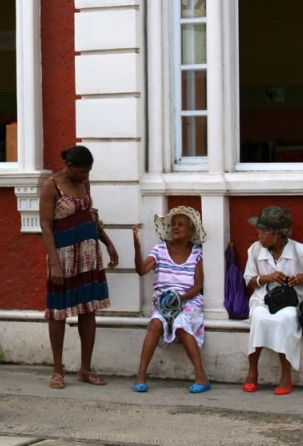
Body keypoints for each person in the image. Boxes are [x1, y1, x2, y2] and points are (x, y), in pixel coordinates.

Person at [38, 145, 118, 389]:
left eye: (89, 171)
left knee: (88, 311)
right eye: (82, 171)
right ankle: (57, 370)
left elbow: (91, 216)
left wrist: (108, 244)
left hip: (88, 254)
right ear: (69, 166)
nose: (86, 175)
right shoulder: (52, 186)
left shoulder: (85, 182)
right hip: (62, 256)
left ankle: (85, 369)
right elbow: (46, 226)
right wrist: (55, 264)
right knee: (58, 313)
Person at [242, 205, 303, 395]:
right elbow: (249, 280)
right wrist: (267, 278)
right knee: (259, 317)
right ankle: (252, 371)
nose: (259, 235)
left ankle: (286, 374)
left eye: (264, 231)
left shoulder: (300, 251)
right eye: (258, 230)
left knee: (285, 320)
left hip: (291, 302)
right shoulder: (255, 250)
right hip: (263, 299)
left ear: (278, 234)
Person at [131, 206, 210, 393]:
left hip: (188, 301)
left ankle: (201, 376)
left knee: (181, 323)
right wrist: (137, 246)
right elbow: (141, 270)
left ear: (191, 231)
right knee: (156, 324)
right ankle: (141, 375)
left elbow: (198, 285)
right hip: (163, 302)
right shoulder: (160, 249)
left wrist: (180, 298)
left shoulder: (197, 252)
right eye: (173, 224)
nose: (175, 227)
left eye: (181, 225)